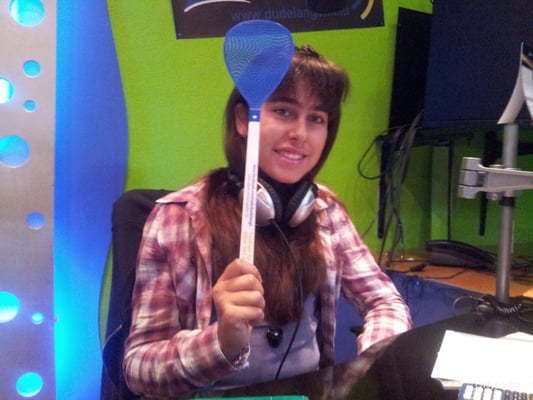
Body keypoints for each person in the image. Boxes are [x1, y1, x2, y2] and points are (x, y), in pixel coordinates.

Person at [122, 45, 412, 399]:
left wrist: (372, 360)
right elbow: (139, 369)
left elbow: (385, 302)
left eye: (316, 119)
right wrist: (220, 342)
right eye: (283, 111)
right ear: (243, 120)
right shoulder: (178, 217)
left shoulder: (324, 210)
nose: (300, 133)